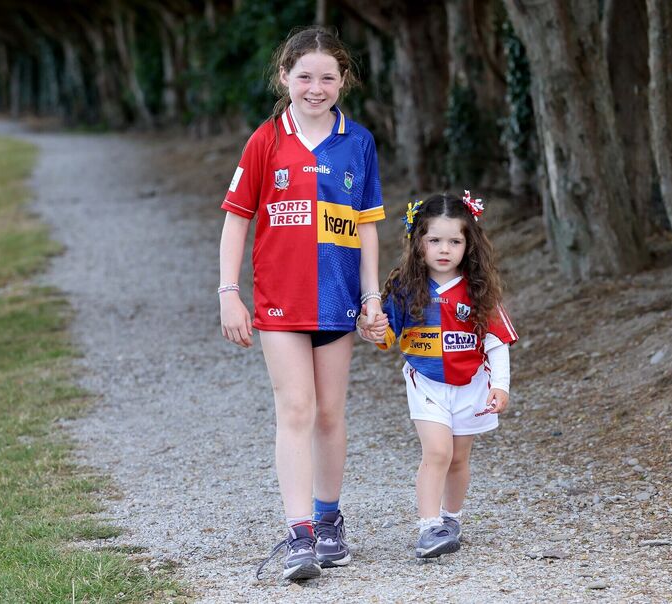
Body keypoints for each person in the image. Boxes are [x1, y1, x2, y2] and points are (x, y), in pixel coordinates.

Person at [218, 26, 385, 581]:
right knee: (295, 409)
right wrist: (228, 294)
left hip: (337, 303)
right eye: (305, 76)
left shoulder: (357, 142)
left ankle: (328, 518)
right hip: (280, 304)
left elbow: (364, 228)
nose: (316, 87)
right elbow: (236, 220)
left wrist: (371, 295)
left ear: (344, 82)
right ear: (284, 76)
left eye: (328, 78)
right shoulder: (265, 140)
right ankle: (298, 535)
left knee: (330, 415)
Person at [358, 191, 517, 560]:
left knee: (459, 459)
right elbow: (387, 335)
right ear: (418, 243)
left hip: (471, 385)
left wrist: (500, 385)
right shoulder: (404, 287)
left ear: (468, 245)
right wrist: (373, 328)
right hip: (426, 382)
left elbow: (496, 342)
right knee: (437, 452)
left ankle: (451, 518)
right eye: (434, 240)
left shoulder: (479, 291)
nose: (444, 249)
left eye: (455, 241)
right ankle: (429, 527)